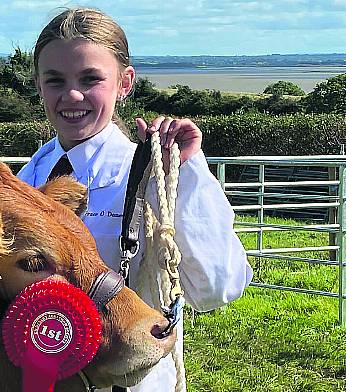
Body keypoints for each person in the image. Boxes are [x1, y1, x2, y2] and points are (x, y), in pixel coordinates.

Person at [17, 7, 253, 392]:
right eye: (55, 80)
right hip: (35, 378)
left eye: (91, 78)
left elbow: (217, 287)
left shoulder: (147, 175)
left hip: (128, 380)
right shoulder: (30, 174)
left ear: (125, 82)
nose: (71, 94)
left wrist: (186, 172)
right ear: (39, 85)